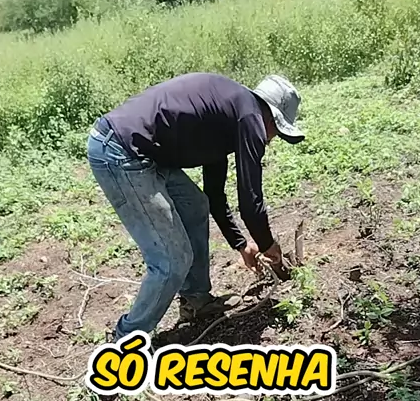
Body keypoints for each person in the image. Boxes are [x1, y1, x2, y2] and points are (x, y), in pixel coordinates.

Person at [87, 72, 304, 342]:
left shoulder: (229, 115)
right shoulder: (249, 117)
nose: (270, 140)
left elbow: (214, 195)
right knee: (172, 260)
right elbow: (250, 200)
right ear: (271, 118)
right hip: (121, 151)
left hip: (141, 151)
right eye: (276, 132)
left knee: (195, 205)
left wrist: (241, 244)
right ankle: (125, 340)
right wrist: (268, 245)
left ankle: (196, 300)